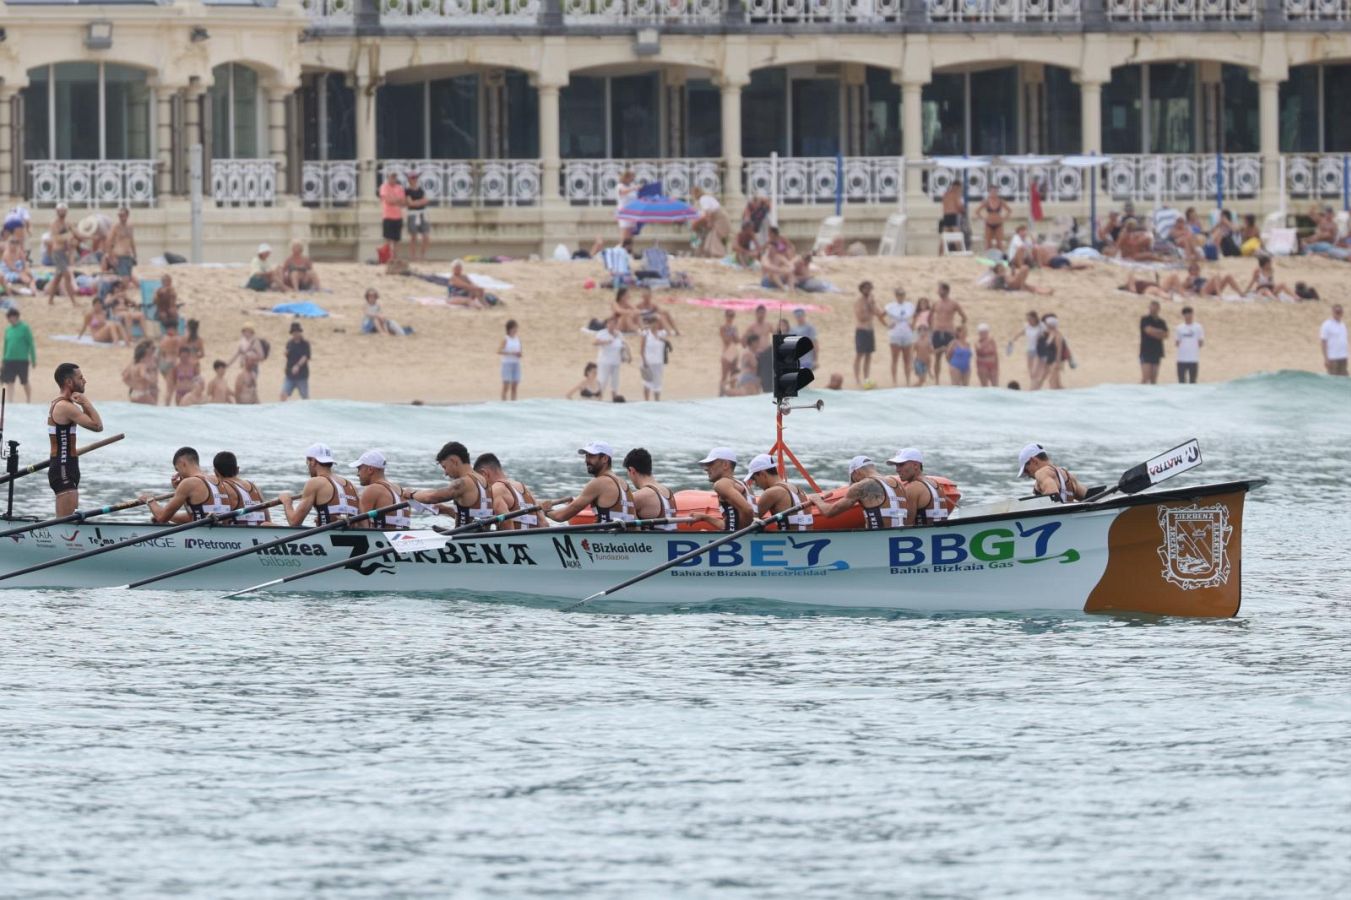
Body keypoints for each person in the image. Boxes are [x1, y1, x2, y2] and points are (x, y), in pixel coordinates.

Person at [47, 363, 104, 516]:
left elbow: (92, 422)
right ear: (69, 382)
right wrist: (85, 402)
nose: (84, 380)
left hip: (67, 465)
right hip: (63, 467)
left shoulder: (67, 404)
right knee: (66, 526)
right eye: (80, 378)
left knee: (68, 523)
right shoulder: (64, 406)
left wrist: (82, 403)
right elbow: (97, 426)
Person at [398, 441, 495, 526]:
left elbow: (431, 497)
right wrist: (447, 510)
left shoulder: (463, 483)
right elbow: (473, 519)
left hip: (462, 539)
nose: (445, 473)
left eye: (445, 467)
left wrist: (412, 494)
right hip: (478, 537)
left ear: (453, 461)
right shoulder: (483, 480)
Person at [544, 441, 635, 525]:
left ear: (605, 458)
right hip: (630, 538)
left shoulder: (599, 483)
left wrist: (546, 511)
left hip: (607, 538)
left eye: (591, 456)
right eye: (586, 456)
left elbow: (560, 516)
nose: (586, 460)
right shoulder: (624, 483)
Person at [807, 456, 906, 529]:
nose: (855, 482)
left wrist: (817, 500)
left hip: (877, 539)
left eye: (853, 479)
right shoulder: (897, 483)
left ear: (856, 472)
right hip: (900, 537)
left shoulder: (861, 486)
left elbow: (829, 512)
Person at [141, 447, 233, 524]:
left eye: (177, 469)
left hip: (201, 537)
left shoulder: (189, 483)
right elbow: (192, 515)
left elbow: (161, 518)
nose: (178, 474)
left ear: (183, 463)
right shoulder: (218, 480)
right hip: (224, 535)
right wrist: (179, 489)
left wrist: (150, 500)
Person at [279, 443, 361, 526]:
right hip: (353, 536)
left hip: (328, 535)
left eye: (307, 462)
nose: (308, 467)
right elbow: (363, 525)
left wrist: (287, 502)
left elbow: (294, 522)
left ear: (313, 461)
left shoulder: (315, 482)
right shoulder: (352, 486)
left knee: (268, 524)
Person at [473, 452, 543, 530]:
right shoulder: (524, 488)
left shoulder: (496, 489)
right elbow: (544, 523)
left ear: (484, 474)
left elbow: (506, 522)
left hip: (515, 540)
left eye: (479, 480)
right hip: (533, 538)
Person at [745, 454, 815, 531]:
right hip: (806, 539)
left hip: (791, 540)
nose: (756, 484)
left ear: (762, 474)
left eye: (754, 479)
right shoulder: (798, 489)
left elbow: (747, 523)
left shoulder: (772, 493)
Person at [695, 447, 754, 531]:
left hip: (739, 539)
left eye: (711, 463)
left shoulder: (722, 484)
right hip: (747, 538)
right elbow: (731, 524)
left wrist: (737, 534)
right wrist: (706, 517)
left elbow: (748, 511)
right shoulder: (743, 484)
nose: (706, 468)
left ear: (725, 465)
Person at [887, 448, 950, 526]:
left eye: (901, 465)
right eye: (896, 466)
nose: (897, 470)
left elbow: (906, 524)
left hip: (923, 535)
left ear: (916, 465)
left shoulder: (913, 487)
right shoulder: (935, 484)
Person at [350, 450, 410, 530]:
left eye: (359, 469)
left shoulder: (372, 489)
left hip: (382, 538)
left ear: (370, 470)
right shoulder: (400, 490)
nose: (357, 474)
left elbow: (361, 526)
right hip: (402, 538)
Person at [622, 447, 678, 530]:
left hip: (651, 542)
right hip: (670, 538)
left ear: (632, 470)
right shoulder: (668, 492)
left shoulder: (638, 496)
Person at [212, 450, 271, 525]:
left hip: (236, 533)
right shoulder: (255, 487)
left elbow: (220, 520)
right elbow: (268, 519)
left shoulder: (223, 488)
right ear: (238, 469)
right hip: (262, 531)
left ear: (215, 472)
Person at [1017, 443, 1086, 503]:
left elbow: (1053, 502)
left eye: (1026, 470)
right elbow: (1089, 497)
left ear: (1033, 460)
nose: (1028, 475)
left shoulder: (1041, 473)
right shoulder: (1069, 476)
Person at [930, 282, 967, 385]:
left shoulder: (953, 304)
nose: (938, 291)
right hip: (937, 332)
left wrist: (960, 330)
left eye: (940, 289)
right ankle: (937, 382)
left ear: (946, 291)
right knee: (937, 357)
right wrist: (932, 328)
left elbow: (964, 317)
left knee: (951, 357)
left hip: (949, 333)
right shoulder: (936, 303)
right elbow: (930, 316)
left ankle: (954, 380)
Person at [45, 204, 78, 307]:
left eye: (64, 210)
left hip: (64, 253)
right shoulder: (54, 224)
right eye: (60, 210)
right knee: (67, 276)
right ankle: (73, 301)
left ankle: (50, 300)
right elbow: (56, 238)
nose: (62, 212)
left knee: (57, 278)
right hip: (57, 253)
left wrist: (89, 236)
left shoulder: (68, 223)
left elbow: (76, 233)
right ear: (57, 211)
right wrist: (69, 236)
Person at [2, 308, 36, 402]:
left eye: (10, 317)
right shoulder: (8, 329)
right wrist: (3, 360)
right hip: (9, 359)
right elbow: (5, 345)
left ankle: (28, 400)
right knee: (9, 382)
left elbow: (31, 344)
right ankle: (10, 401)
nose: (9, 320)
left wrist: (33, 359)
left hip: (22, 359)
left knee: (24, 381)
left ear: (15, 316)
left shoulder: (25, 328)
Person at [883, 288, 915, 387]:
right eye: (899, 295)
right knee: (895, 359)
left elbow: (917, 315)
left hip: (907, 334)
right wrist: (887, 325)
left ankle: (908, 381)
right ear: (896, 296)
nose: (901, 297)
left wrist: (913, 325)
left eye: (902, 295)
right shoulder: (890, 306)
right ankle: (894, 381)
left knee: (907, 359)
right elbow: (880, 315)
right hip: (895, 334)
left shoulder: (910, 305)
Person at [853, 281, 882, 387]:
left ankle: (866, 378)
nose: (868, 290)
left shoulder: (871, 301)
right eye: (866, 288)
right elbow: (861, 317)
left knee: (869, 355)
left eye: (869, 288)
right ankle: (857, 379)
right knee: (859, 354)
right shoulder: (859, 302)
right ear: (862, 289)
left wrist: (872, 305)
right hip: (861, 330)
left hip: (870, 330)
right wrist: (869, 308)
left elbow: (879, 313)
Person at [593, 315, 626, 402]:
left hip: (616, 361)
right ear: (607, 324)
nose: (611, 325)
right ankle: (599, 399)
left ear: (616, 325)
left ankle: (614, 400)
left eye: (613, 324)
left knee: (615, 383)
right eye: (609, 323)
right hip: (604, 362)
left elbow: (622, 346)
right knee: (602, 380)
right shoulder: (602, 333)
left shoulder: (619, 334)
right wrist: (606, 341)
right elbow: (595, 342)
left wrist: (623, 356)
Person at [1032, 314, 1068, 390]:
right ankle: (1034, 392)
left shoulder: (1058, 335)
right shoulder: (1047, 334)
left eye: (1046, 324)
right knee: (1046, 379)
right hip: (1048, 360)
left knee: (1052, 381)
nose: (1045, 326)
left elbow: (1059, 350)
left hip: (1055, 360)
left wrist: (1057, 362)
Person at [1009, 310, 1044, 384]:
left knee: (1036, 371)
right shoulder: (1027, 325)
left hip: (1039, 350)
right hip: (1029, 349)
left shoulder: (1041, 326)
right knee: (1030, 371)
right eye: (1027, 319)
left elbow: (1046, 336)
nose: (1028, 320)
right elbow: (1021, 332)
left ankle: (1036, 385)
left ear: (1034, 318)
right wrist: (1013, 340)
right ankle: (1033, 385)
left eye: (1030, 319)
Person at [1139, 299, 1168, 385]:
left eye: (1155, 308)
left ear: (1158, 309)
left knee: (1154, 380)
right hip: (1146, 350)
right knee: (1145, 378)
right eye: (1152, 308)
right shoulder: (1145, 319)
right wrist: (1159, 333)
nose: (1153, 310)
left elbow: (1166, 335)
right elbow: (1148, 331)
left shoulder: (1161, 322)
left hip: (1157, 351)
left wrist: (1154, 332)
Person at [379, 171, 407, 261]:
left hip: (398, 216)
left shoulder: (400, 188)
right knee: (388, 239)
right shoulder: (384, 187)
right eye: (392, 177)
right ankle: (387, 258)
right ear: (388, 178)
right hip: (388, 216)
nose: (393, 179)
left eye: (395, 177)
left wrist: (394, 200)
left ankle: (395, 258)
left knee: (396, 240)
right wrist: (397, 200)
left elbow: (403, 201)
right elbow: (388, 200)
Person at [973, 187, 1011, 252]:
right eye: (992, 192)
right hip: (989, 223)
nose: (993, 193)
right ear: (989, 192)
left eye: (995, 191)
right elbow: (977, 211)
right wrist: (984, 218)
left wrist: (1004, 218)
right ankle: (988, 256)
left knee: (999, 242)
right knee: (988, 242)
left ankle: (1000, 257)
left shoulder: (1000, 201)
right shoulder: (986, 201)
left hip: (998, 223)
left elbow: (1009, 211)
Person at [107, 207, 139, 283]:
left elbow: (131, 241)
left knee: (127, 279)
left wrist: (135, 254)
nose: (120, 217)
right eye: (119, 215)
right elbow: (109, 242)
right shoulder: (115, 227)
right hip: (119, 256)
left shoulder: (130, 226)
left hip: (128, 256)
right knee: (124, 279)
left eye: (122, 215)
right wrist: (111, 257)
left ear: (127, 215)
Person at [281, 321, 311, 401]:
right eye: (294, 332)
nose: (295, 334)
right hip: (290, 375)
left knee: (305, 397)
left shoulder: (305, 344)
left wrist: (298, 366)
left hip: (302, 375)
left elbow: (306, 357)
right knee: (283, 394)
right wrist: (285, 353)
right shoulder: (289, 343)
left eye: (297, 332)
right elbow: (287, 355)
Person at [121, 341, 159, 405]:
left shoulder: (135, 364)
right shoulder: (142, 364)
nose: (153, 350)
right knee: (154, 408)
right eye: (152, 348)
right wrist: (151, 379)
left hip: (135, 392)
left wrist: (134, 384)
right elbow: (143, 374)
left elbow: (124, 377)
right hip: (143, 392)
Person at [639, 317, 668, 402]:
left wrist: (661, 318)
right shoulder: (646, 334)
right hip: (648, 362)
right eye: (652, 323)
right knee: (647, 383)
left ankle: (657, 401)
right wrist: (644, 361)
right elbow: (642, 349)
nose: (654, 325)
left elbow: (668, 330)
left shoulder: (662, 333)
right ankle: (646, 401)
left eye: (656, 323)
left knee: (658, 382)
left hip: (659, 362)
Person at [1175, 306, 1205, 384]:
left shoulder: (1198, 327)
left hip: (1193, 359)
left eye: (1190, 314)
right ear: (1183, 315)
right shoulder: (1179, 328)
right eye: (1186, 314)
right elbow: (1177, 342)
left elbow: (1201, 341)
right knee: (1181, 381)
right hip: (1181, 359)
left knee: (1193, 381)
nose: (1188, 316)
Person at [404, 172, 430, 261]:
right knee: (413, 236)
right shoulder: (407, 191)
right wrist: (420, 202)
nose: (414, 179)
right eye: (412, 178)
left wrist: (416, 203)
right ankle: (413, 256)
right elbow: (410, 203)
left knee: (426, 236)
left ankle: (422, 255)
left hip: (422, 213)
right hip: (413, 214)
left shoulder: (421, 190)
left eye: (415, 178)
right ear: (409, 179)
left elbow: (426, 200)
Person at [1321, 304, 1348, 376]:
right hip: (1333, 358)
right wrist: (1326, 358)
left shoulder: (1343, 325)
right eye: (1337, 312)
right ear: (1333, 312)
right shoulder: (1327, 324)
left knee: (1344, 379)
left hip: (1343, 357)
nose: (1338, 313)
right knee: (1333, 380)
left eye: (1340, 311)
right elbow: (1323, 342)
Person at [938, 182, 965, 253]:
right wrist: (963, 211)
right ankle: (960, 253)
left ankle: (940, 254)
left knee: (944, 237)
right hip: (953, 216)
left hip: (946, 216)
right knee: (957, 237)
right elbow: (959, 205)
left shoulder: (945, 194)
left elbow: (944, 205)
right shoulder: (956, 194)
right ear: (957, 187)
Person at [790, 307, 819, 372]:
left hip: (808, 359)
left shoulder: (810, 328)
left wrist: (815, 360)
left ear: (804, 316)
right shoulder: (793, 329)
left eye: (800, 316)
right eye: (797, 316)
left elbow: (815, 343)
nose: (799, 318)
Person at [500, 319, 522, 401]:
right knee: (506, 385)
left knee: (515, 385)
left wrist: (519, 354)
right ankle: (504, 403)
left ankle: (514, 404)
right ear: (509, 329)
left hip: (516, 363)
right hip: (507, 363)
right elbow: (499, 351)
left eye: (516, 328)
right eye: (514, 328)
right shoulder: (506, 339)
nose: (516, 330)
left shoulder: (517, 339)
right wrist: (511, 353)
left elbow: (520, 351)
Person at [718, 309, 740, 395]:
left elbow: (738, 340)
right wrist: (733, 336)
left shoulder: (734, 327)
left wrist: (734, 336)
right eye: (729, 315)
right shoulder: (723, 327)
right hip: (727, 351)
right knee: (724, 375)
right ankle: (721, 393)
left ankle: (732, 392)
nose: (731, 317)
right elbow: (725, 340)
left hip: (734, 350)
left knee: (733, 374)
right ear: (726, 316)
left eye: (732, 316)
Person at [974, 323, 999, 388]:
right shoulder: (977, 342)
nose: (983, 334)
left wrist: (997, 366)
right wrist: (987, 341)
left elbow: (995, 353)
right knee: (984, 386)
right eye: (981, 333)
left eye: (985, 332)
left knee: (995, 385)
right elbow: (979, 349)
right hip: (982, 365)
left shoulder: (992, 341)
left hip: (992, 364)